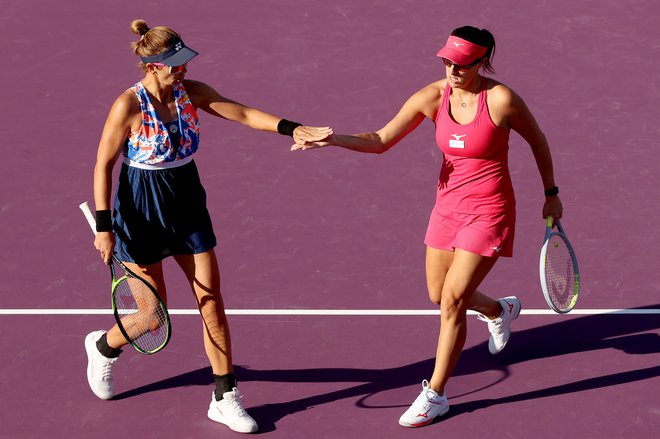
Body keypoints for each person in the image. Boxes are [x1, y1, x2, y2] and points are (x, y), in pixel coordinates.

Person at [292, 26, 563, 427]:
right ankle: (498, 309)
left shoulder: (501, 99)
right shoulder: (433, 96)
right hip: (446, 209)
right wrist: (334, 140)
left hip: (489, 212)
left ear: (482, 61)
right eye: (447, 61)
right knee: (438, 294)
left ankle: (435, 394)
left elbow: (538, 140)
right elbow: (381, 138)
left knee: (452, 301)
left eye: (463, 63)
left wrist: (551, 193)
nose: (453, 69)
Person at [84, 19, 331, 434]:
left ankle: (224, 395)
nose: (182, 70)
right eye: (173, 65)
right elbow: (103, 165)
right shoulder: (127, 106)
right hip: (141, 208)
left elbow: (245, 113)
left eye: (183, 62)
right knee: (151, 316)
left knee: (211, 299)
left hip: (186, 200)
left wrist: (292, 127)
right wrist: (104, 226)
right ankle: (104, 347)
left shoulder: (191, 93)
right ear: (151, 66)